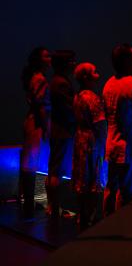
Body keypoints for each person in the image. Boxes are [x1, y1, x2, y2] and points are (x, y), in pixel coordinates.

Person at [103, 44, 132, 215]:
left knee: (111, 187)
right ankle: (120, 230)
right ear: (125, 60)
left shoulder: (109, 83)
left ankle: (104, 226)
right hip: (129, 149)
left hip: (112, 145)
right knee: (128, 193)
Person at [72, 62, 107, 230]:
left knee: (82, 180)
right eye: (94, 72)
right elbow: (100, 124)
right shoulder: (92, 98)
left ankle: (81, 216)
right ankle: (90, 220)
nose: (97, 74)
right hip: (92, 143)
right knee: (94, 180)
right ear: (86, 77)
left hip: (80, 140)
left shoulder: (77, 97)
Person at [19, 47, 52, 219]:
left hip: (33, 122)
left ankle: (30, 204)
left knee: (31, 164)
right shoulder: (39, 79)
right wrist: (46, 128)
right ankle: (30, 207)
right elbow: (41, 106)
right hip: (37, 124)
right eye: (47, 55)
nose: (50, 57)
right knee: (31, 164)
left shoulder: (35, 78)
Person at [45, 49, 77, 218]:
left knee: (53, 167)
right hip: (62, 131)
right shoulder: (61, 83)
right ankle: (54, 207)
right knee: (57, 169)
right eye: (71, 60)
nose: (74, 63)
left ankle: (52, 206)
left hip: (57, 130)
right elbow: (68, 109)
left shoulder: (56, 81)